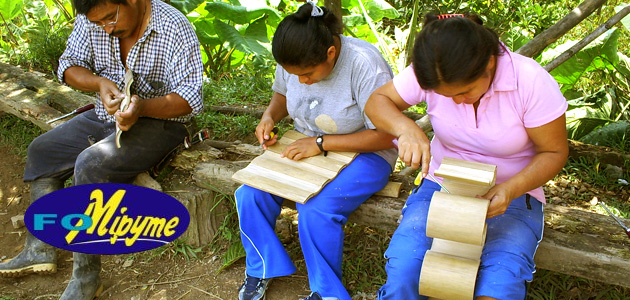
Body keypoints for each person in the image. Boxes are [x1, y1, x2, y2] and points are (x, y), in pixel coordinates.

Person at [0, 0, 203, 298]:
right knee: (43, 151)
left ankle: (86, 278)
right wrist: (99, 83)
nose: (107, 28)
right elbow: (68, 66)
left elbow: (190, 98)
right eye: (99, 24)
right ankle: (39, 249)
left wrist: (142, 108)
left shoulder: (173, 26)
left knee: (91, 163)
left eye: (110, 18)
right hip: (105, 116)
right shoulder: (93, 17)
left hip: (163, 123)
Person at [364, 13, 569, 300]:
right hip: (443, 185)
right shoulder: (433, 68)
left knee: (498, 285)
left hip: (513, 192)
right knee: (405, 274)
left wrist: (510, 190)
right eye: (445, 96)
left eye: (465, 92)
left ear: (489, 64)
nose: (457, 102)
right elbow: (377, 101)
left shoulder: (531, 81)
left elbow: (555, 151)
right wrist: (405, 128)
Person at [234, 2, 398, 300]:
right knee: (249, 194)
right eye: (292, 73)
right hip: (307, 142)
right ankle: (261, 267)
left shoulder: (364, 64)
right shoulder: (295, 56)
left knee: (315, 209)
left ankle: (326, 293)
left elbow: (386, 135)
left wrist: (322, 144)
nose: (301, 81)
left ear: (331, 53)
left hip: (367, 153)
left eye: (307, 74)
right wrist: (269, 116)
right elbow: (282, 94)